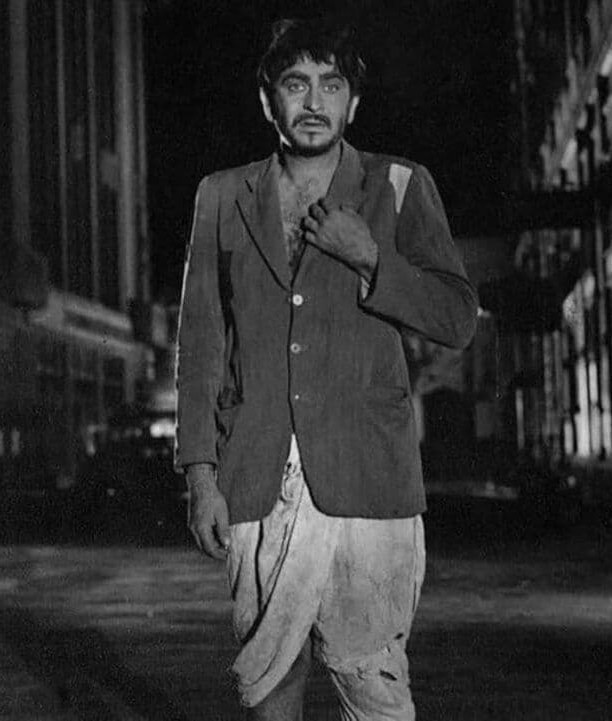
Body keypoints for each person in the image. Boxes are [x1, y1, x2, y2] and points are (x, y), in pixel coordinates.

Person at [174, 16, 478, 720]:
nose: (313, 102)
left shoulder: (400, 184)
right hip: (258, 476)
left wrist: (371, 256)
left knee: (374, 688)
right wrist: (200, 477)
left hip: (370, 477)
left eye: (331, 85)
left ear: (354, 102)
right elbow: (201, 343)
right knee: (270, 683)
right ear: (267, 100)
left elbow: (457, 317)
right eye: (295, 84)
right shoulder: (221, 195)